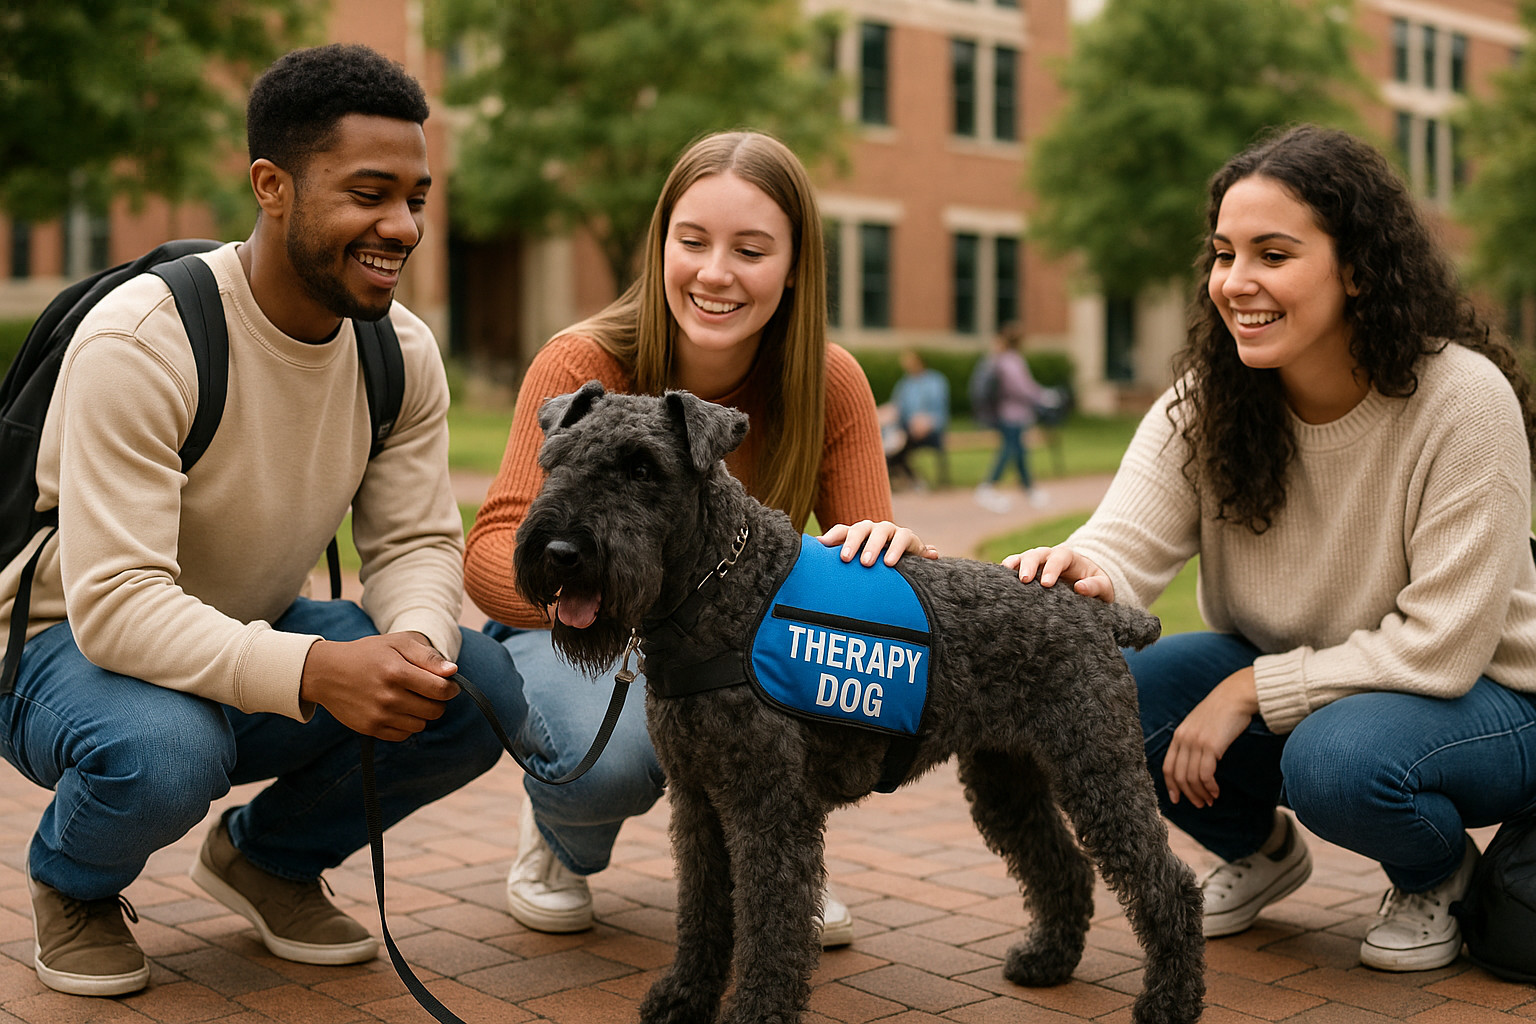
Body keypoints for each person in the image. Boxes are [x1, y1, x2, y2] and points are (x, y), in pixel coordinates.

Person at [0, 44, 525, 997]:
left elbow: (410, 542)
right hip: (60, 646)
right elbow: (115, 605)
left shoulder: (399, 350)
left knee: (475, 681)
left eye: (416, 197)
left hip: (248, 625)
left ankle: (266, 859)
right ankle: (72, 884)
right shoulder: (143, 340)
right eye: (369, 194)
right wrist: (320, 670)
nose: (402, 226)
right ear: (272, 185)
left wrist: (411, 646)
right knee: (168, 749)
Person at [1006, 124, 1536, 972]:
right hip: (1324, 673)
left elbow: (1442, 646)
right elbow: (1123, 543)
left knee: (1336, 761)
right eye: (1223, 254)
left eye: (1272, 254)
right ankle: (1258, 849)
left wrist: (1252, 688)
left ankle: (1438, 872)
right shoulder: (1207, 401)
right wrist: (1081, 570)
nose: (1235, 282)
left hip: (1489, 698)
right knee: (1105, 699)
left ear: (1357, 269)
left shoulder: (1461, 401)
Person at [463, 130, 933, 947]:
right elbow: (491, 551)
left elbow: (859, 548)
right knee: (616, 757)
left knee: (831, 673)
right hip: (578, 620)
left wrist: (885, 561)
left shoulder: (829, 382)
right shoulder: (582, 362)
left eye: (751, 250)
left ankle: (781, 862)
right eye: (693, 242)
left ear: (793, 268)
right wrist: (616, 599)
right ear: (661, 247)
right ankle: (559, 833)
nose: (716, 272)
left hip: (728, 638)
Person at [975, 324, 1049, 513]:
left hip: (1009, 413)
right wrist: (1044, 397)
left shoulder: (1000, 360)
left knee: (1020, 452)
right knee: (1009, 450)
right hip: (1012, 414)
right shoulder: (1011, 361)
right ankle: (988, 487)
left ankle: (1029, 489)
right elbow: (1021, 387)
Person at [883, 348, 951, 488]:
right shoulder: (905, 384)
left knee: (901, 445)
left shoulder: (935, 381)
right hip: (908, 428)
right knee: (892, 441)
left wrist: (926, 422)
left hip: (931, 429)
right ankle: (912, 479)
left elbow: (940, 410)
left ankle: (912, 479)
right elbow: (896, 406)